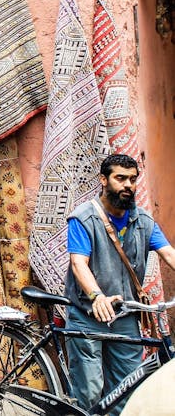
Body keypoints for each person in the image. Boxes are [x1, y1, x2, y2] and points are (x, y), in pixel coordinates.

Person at [65, 154, 175, 415]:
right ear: (104, 180)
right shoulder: (83, 218)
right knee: (90, 392)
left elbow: (169, 254)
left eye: (133, 180)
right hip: (87, 315)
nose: (128, 185)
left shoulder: (143, 221)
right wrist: (97, 296)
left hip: (125, 315)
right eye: (121, 178)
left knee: (127, 389)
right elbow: (79, 263)